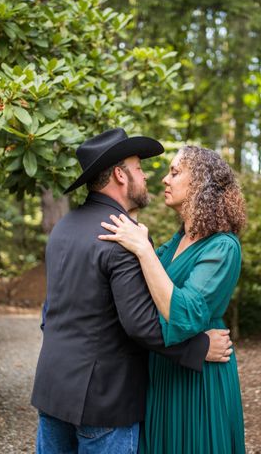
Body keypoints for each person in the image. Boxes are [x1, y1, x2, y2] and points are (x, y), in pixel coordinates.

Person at [31, 129, 233, 454]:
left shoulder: (64, 228)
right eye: (139, 168)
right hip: (103, 400)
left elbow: (49, 313)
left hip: (52, 389)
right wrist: (197, 347)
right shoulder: (123, 236)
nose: (148, 176)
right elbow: (139, 325)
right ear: (120, 175)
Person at [99, 145, 247, 453]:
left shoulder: (222, 247)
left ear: (201, 183)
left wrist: (143, 249)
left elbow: (184, 313)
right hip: (168, 368)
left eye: (175, 172)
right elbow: (143, 290)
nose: (165, 179)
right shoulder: (179, 240)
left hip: (200, 379)